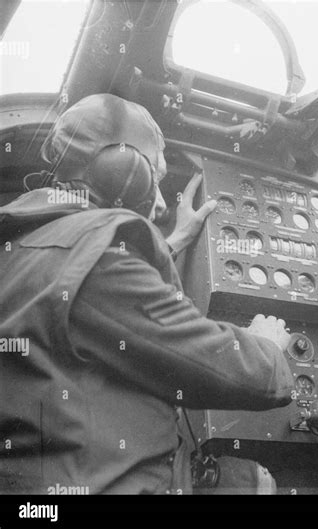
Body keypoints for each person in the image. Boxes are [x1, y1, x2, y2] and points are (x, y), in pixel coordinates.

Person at [0, 93, 293, 495]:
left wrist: (173, 242)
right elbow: (209, 364)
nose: (156, 205)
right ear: (123, 171)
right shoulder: (102, 262)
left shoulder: (26, 243)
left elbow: (94, 294)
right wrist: (269, 351)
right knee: (255, 483)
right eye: (152, 179)